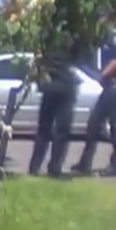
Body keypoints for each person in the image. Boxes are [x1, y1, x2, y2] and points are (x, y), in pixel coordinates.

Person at [72, 7, 116, 177]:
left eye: (101, 17)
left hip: (114, 86)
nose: (99, 21)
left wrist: (103, 74)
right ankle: (85, 163)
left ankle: (115, 164)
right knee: (94, 125)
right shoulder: (103, 38)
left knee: (114, 127)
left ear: (108, 18)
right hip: (107, 87)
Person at [28, 46, 79, 178]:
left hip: (50, 87)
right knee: (61, 132)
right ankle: (54, 168)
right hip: (64, 88)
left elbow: (38, 61)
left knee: (44, 131)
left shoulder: (47, 39)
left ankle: (35, 167)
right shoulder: (71, 39)